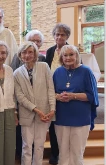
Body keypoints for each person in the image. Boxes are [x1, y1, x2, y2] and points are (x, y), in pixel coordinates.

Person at [53, 45, 99, 165]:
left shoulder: (86, 71)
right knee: (62, 152)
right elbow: (50, 93)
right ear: (61, 57)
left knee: (77, 152)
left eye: (71, 54)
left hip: (80, 117)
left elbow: (92, 96)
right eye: (65, 55)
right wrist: (58, 96)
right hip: (62, 117)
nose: (68, 58)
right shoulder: (58, 72)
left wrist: (73, 96)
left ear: (77, 55)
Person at [13, 41, 56, 165]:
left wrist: (52, 109)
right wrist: (36, 109)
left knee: (39, 145)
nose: (27, 55)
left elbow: (50, 89)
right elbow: (20, 96)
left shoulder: (44, 67)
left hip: (45, 112)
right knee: (26, 146)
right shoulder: (16, 73)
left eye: (30, 52)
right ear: (20, 55)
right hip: (27, 113)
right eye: (24, 52)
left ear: (35, 54)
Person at [10, 29, 46, 158]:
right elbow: (13, 76)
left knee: (38, 141)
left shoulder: (42, 60)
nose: (35, 43)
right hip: (23, 104)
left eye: (38, 41)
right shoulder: (17, 58)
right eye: (32, 41)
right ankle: (21, 156)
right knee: (24, 137)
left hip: (40, 104)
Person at [45, 23, 71, 165]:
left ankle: (66, 154)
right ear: (53, 36)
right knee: (53, 124)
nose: (59, 37)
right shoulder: (50, 51)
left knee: (65, 125)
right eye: (57, 34)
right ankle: (55, 153)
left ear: (67, 36)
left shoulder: (71, 50)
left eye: (62, 34)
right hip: (52, 91)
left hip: (67, 92)